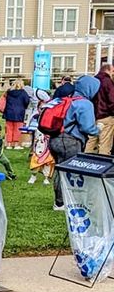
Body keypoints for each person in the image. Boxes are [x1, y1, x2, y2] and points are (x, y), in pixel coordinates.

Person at [47, 74, 100, 209]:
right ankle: (65, 201)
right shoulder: (84, 103)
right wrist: (98, 129)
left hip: (54, 139)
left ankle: (59, 201)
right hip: (70, 141)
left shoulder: (65, 99)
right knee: (70, 172)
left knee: (60, 170)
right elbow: (88, 127)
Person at [0, 79, 31, 148]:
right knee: (18, 129)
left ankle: (8, 144)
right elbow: (27, 102)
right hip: (19, 112)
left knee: (9, 129)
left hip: (9, 112)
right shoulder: (23, 93)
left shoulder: (8, 92)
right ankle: (16, 144)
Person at [93, 61, 114, 157]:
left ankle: (86, 164)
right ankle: (103, 167)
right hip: (106, 116)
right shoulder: (107, 81)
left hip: (93, 116)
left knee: (92, 142)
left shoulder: (94, 81)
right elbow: (112, 99)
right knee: (105, 144)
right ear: (108, 70)